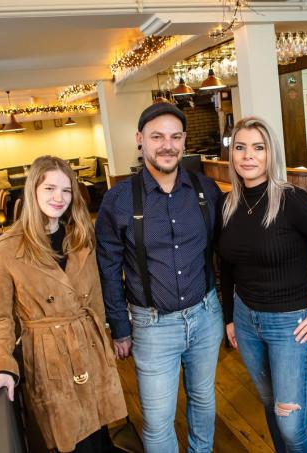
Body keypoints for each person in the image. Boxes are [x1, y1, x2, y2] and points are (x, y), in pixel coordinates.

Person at [217, 117, 307, 452]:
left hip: (289, 325)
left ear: (271, 154)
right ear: (231, 154)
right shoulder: (229, 204)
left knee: (291, 426)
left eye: (258, 147)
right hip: (246, 320)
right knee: (270, 405)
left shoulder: (291, 199)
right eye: (240, 147)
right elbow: (226, 266)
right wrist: (230, 317)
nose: (248, 156)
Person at [96, 102, 223, 453]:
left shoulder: (206, 191)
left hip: (206, 316)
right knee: (156, 421)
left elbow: (225, 250)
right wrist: (119, 327)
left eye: (175, 137)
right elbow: (108, 268)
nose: (167, 145)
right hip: (152, 326)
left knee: (203, 400)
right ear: (140, 139)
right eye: (157, 137)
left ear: (184, 141)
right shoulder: (118, 200)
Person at [0, 155, 127, 453]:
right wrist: (0, 367)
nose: (59, 198)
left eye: (66, 190)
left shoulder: (81, 236)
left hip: (89, 344)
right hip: (49, 355)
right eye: (49, 188)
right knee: (70, 437)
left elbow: (95, 296)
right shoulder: (4, 250)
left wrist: (107, 336)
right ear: (33, 190)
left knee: (99, 431)